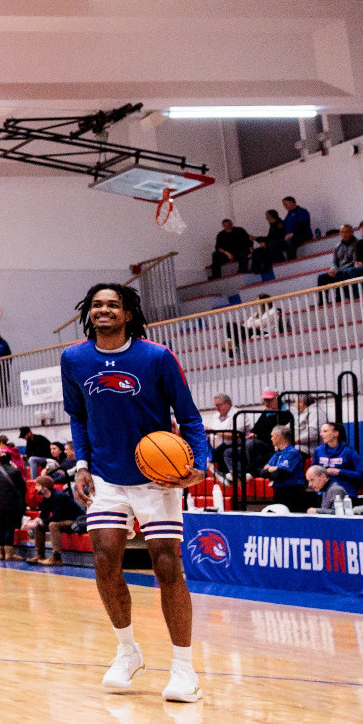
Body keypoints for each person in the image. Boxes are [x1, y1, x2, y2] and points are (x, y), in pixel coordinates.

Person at [63, 282, 208, 702]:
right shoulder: (74, 358)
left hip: (156, 477)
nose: (104, 310)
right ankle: (128, 652)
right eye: (97, 305)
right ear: (89, 313)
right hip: (105, 476)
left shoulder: (157, 356)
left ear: (128, 314)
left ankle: (184, 668)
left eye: (113, 304)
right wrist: (82, 464)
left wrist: (198, 466)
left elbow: (190, 417)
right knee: (105, 559)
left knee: (166, 565)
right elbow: (77, 416)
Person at [28, 472, 83, 565]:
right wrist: (36, 521)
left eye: (38, 485)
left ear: (44, 487)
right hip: (62, 520)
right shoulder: (45, 498)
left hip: (74, 521)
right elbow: (44, 514)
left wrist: (41, 522)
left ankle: (57, 557)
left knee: (53, 525)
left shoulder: (59, 496)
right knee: (39, 526)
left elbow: (57, 516)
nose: (36, 488)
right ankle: (40, 554)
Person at [263, 426, 312, 512]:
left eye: (272, 436)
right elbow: (263, 473)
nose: (271, 438)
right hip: (279, 490)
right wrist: (275, 469)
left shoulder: (292, 453)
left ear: (279, 437)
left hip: (293, 491)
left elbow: (281, 474)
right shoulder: (277, 453)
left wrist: (272, 469)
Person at [311, 422, 363, 499]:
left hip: (346, 494)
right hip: (324, 494)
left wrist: (340, 472)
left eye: (325, 431)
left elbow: (361, 474)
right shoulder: (318, 451)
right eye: (321, 431)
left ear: (336, 433)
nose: (321, 434)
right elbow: (312, 471)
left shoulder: (349, 451)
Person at [318, 223, 363, 291]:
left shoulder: (357, 244)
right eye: (342, 232)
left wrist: (339, 270)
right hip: (339, 270)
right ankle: (322, 298)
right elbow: (334, 262)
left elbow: (355, 261)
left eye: (346, 232)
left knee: (340, 274)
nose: (344, 234)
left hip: (348, 269)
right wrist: (333, 268)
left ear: (352, 232)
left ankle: (341, 296)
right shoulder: (337, 246)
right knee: (321, 277)